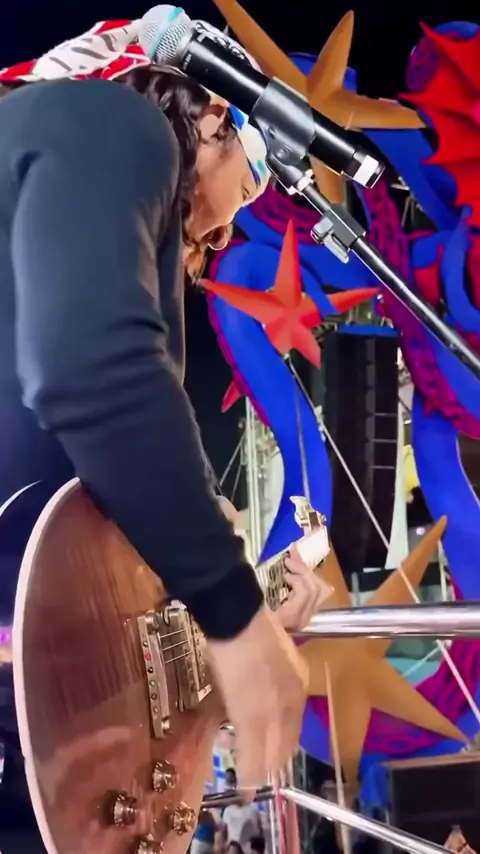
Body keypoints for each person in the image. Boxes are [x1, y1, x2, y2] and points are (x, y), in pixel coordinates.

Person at [0, 15, 331, 854]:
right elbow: (86, 366)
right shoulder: (113, 121)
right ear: (212, 118)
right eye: (246, 192)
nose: (223, 237)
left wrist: (250, 603)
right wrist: (234, 612)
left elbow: (106, 537)